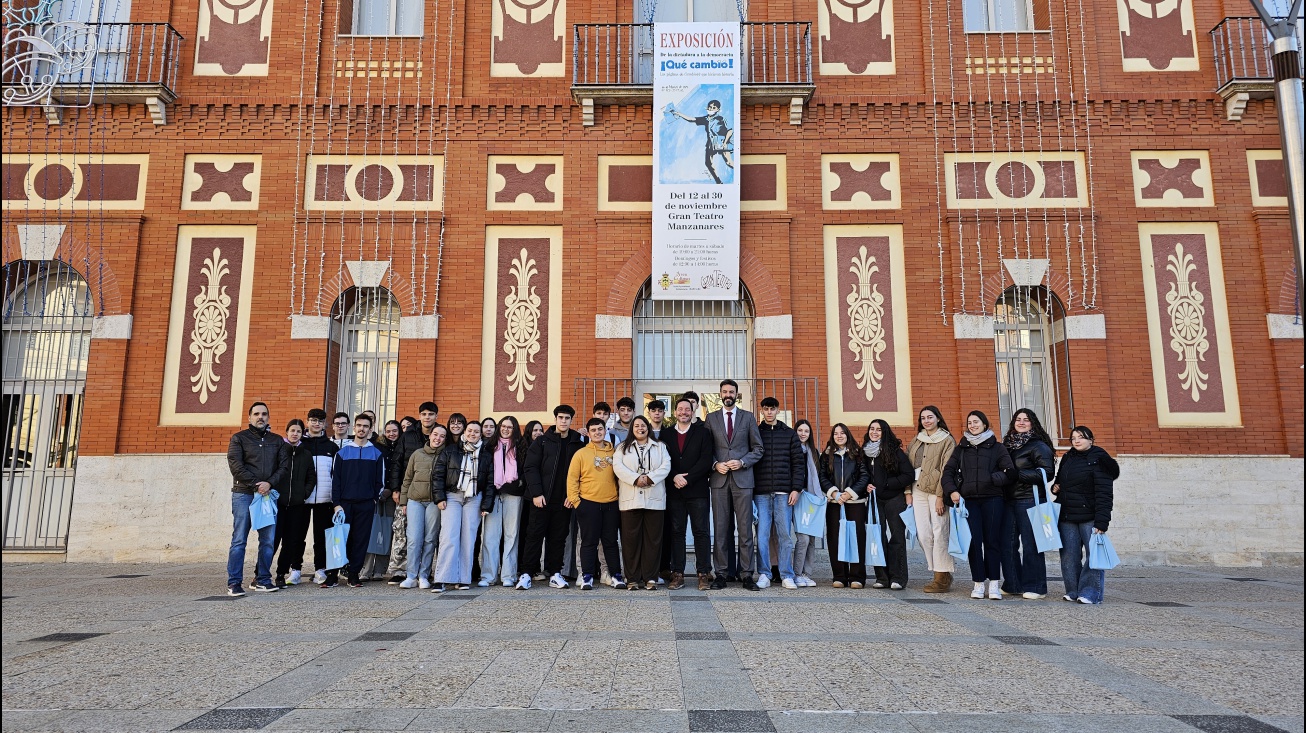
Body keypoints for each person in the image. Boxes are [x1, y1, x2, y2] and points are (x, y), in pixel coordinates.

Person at [942, 410, 1015, 600]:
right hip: (969, 502)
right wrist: (952, 491)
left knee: (992, 542)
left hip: (992, 500)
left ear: (985, 424)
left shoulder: (997, 447)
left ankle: (994, 584)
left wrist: (992, 479)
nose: (973, 425)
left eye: (976, 422)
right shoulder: (961, 448)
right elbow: (948, 472)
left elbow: (1010, 472)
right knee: (974, 543)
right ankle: (978, 583)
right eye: (970, 422)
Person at [705, 379, 764, 591]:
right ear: (720, 394)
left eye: (731, 391)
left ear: (736, 395)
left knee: (746, 530)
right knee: (721, 530)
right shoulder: (710, 419)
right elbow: (706, 448)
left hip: (743, 480)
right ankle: (721, 573)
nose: (728, 394)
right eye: (724, 391)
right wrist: (714, 463)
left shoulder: (748, 418)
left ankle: (747, 574)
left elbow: (758, 449)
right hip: (719, 481)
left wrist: (742, 462)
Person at [225, 402, 289, 595]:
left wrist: (268, 483)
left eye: (264, 414)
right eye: (256, 414)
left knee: (268, 540)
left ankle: (262, 579)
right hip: (244, 494)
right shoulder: (239, 438)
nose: (260, 417)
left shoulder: (277, 441)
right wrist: (256, 484)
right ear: (249, 417)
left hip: (267, 496)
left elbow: (283, 467)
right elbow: (235, 465)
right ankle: (234, 582)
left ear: (268, 417)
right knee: (239, 539)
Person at [518, 405, 585, 589]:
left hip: (564, 500)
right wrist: (536, 493)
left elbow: (581, 472)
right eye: (561, 417)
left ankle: (555, 573)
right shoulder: (542, 442)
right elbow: (530, 468)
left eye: (567, 418)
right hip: (541, 500)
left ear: (572, 420)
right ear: (555, 419)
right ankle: (526, 574)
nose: (563, 421)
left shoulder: (577, 442)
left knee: (558, 538)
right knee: (534, 536)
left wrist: (572, 495)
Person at [1053, 426, 1118, 604]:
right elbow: (1059, 481)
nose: (1076, 441)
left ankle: (1090, 593)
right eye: (1073, 438)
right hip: (1067, 515)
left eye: (1081, 437)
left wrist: (1102, 521)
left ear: (1091, 439)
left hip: (1090, 516)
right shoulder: (1067, 458)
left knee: (1093, 556)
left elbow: (1105, 494)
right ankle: (1073, 591)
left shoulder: (1100, 459)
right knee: (1068, 556)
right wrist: (1055, 487)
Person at [1002, 408, 1057, 600]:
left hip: (1029, 499)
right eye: (1018, 419)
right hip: (1008, 501)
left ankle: (1036, 586)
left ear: (1032, 423)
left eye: (1026, 420)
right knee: (1007, 544)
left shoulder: (1038, 445)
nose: (1022, 422)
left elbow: (1047, 473)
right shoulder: (1008, 445)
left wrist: (1019, 475)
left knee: (1031, 544)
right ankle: (1013, 584)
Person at [433, 422, 494, 591]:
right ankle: (442, 578)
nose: (473, 434)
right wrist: (439, 497)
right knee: (448, 536)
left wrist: (486, 505)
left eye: (476, 432)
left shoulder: (486, 455)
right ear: (464, 432)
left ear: (480, 434)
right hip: (452, 496)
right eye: (470, 431)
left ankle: (463, 579)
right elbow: (438, 474)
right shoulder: (451, 450)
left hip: (474, 498)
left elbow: (489, 482)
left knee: (469, 538)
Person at [613, 416, 671, 590]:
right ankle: (632, 578)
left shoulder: (660, 446)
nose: (640, 428)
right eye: (636, 425)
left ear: (648, 428)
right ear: (632, 429)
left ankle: (650, 578)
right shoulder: (622, 448)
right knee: (630, 541)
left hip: (654, 500)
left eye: (643, 425)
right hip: (630, 500)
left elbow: (666, 466)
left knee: (652, 541)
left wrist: (650, 478)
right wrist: (636, 479)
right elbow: (618, 467)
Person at [386, 402, 440, 584]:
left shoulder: (441, 435)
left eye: (430, 414)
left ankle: (424, 573)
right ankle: (404, 572)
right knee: (408, 535)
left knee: (430, 537)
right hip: (411, 494)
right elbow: (397, 463)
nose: (427, 417)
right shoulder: (408, 435)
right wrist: (396, 489)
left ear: (436, 417)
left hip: (433, 496)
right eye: (424, 414)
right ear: (419, 416)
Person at [331, 413, 388, 588]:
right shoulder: (342, 453)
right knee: (339, 539)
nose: (361, 429)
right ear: (353, 428)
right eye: (359, 425)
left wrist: (373, 499)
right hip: (344, 504)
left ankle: (354, 574)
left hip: (365, 504)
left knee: (360, 539)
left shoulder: (377, 454)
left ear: (370, 429)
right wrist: (336, 504)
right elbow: (336, 480)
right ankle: (332, 574)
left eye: (365, 426)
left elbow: (381, 481)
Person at [568, 418, 625, 590]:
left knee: (610, 541)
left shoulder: (614, 453)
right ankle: (587, 576)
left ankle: (615, 575)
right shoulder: (581, 454)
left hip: (611, 504)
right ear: (589, 433)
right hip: (588, 504)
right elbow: (572, 479)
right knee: (589, 542)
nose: (597, 432)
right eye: (593, 430)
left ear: (605, 430)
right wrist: (577, 502)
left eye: (600, 429)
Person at [663, 397, 714, 590]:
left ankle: (703, 573)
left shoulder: (703, 433)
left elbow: (706, 459)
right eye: (680, 409)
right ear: (675, 412)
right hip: (674, 491)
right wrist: (674, 476)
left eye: (688, 409)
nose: (684, 412)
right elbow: (662, 461)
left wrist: (688, 478)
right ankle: (678, 573)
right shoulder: (666, 435)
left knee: (701, 532)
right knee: (677, 533)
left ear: (693, 413)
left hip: (697, 490)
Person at [753, 397, 804, 590]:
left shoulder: (789, 434)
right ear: (762, 411)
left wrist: (796, 489)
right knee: (763, 535)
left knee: (784, 535)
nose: (769, 412)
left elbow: (798, 464)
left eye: (772, 409)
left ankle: (786, 574)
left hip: (784, 493)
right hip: (761, 493)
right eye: (766, 409)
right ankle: (764, 574)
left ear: (777, 411)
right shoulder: (756, 433)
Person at [908, 406, 958, 593]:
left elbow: (947, 470)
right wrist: (908, 492)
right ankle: (937, 569)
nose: (927, 421)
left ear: (938, 418)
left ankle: (941, 575)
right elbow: (908, 466)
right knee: (923, 534)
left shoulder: (947, 440)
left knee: (940, 531)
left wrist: (940, 496)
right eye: (923, 418)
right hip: (918, 490)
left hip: (937, 491)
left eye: (930, 417)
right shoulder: (916, 440)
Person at [863, 420, 914, 590]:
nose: (874, 432)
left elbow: (908, 475)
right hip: (875, 500)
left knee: (897, 538)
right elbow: (861, 475)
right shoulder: (864, 452)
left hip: (894, 499)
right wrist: (866, 485)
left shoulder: (895, 452)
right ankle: (882, 578)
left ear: (884, 432)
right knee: (878, 537)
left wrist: (887, 484)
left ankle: (898, 578)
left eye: (878, 430)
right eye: (872, 429)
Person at [397, 425, 447, 589]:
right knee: (413, 539)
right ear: (430, 436)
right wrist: (404, 501)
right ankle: (411, 575)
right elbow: (407, 479)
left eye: (441, 436)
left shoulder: (446, 455)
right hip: (415, 501)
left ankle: (424, 575)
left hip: (434, 502)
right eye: (435, 434)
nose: (437, 438)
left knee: (430, 539)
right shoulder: (417, 454)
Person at [821, 423, 868, 589]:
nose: (839, 436)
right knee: (835, 539)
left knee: (857, 538)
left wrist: (849, 493)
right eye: (835, 433)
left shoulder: (858, 454)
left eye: (842, 433)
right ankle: (839, 576)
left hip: (855, 503)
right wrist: (834, 493)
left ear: (847, 435)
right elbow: (822, 477)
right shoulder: (827, 455)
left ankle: (857, 576)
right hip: (834, 504)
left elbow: (864, 477)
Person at [481, 416, 526, 587]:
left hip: (514, 494)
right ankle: (488, 576)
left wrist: (519, 482)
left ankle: (509, 574)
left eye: (510, 427)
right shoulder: (489, 446)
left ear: (515, 429)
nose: (506, 429)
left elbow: (525, 469)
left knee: (511, 535)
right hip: (494, 493)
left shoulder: (521, 446)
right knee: (490, 536)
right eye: (503, 426)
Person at [273, 419, 316, 588]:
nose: (295, 434)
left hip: (297, 505)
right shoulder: (279, 451)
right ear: (286, 432)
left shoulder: (306, 454)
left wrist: (303, 494)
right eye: (292, 430)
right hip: (278, 504)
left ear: (302, 434)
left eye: (298, 431)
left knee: (290, 542)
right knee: (272, 540)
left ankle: (280, 574)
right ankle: (259, 574)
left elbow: (311, 477)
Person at [360, 420, 402, 580]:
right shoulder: (377, 447)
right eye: (388, 430)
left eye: (395, 430)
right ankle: (367, 569)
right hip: (377, 494)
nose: (391, 433)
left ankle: (380, 569)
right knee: (372, 531)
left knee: (388, 531)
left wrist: (392, 489)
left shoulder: (401, 447)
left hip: (393, 495)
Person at [303, 409, 339, 586]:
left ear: (325, 424)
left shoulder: (332, 447)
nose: (316, 424)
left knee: (321, 537)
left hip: (324, 499)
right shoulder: (300, 444)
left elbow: (336, 474)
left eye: (320, 421)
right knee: (297, 536)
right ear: (307, 421)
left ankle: (320, 569)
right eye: (313, 420)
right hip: (302, 499)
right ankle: (295, 569)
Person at [666, 98, 735, 184]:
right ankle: (718, 182)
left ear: (718, 109)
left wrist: (725, 142)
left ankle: (739, 172)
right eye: (710, 107)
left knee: (729, 162)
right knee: (708, 163)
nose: (711, 109)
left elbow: (730, 131)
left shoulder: (720, 119)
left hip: (722, 142)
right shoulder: (705, 119)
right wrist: (678, 114)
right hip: (711, 144)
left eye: (713, 108)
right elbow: (691, 119)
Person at [792, 420, 822, 588]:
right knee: (802, 538)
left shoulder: (813, 452)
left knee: (811, 539)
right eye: (800, 430)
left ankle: (806, 573)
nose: (803, 434)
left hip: (811, 499)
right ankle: (797, 573)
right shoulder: (791, 450)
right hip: (796, 497)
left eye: (806, 431)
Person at [518, 419, 545, 578]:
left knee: (533, 532)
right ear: (528, 432)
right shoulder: (522, 448)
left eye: (540, 430)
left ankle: (534, 567)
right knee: (523, 532)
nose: (538, 433)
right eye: (534, 430)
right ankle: (522, 566)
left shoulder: (543, 447)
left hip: (534, 496)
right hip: (523, 495)